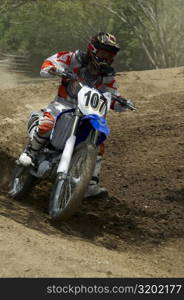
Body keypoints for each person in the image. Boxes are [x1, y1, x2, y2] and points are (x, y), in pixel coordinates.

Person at [18, 32, 133, 197]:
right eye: (103, 53)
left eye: (109, 55)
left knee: (98, 138)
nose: (106, 58)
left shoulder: (108, 75)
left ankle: (90, 182)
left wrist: (123, 102)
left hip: (88, 112)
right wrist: (53, 68)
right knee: (47, 125)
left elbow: (112, 94)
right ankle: (31, 151)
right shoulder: (74, 58)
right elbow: (51, 61)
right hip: (64, 104)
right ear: (92, 49)